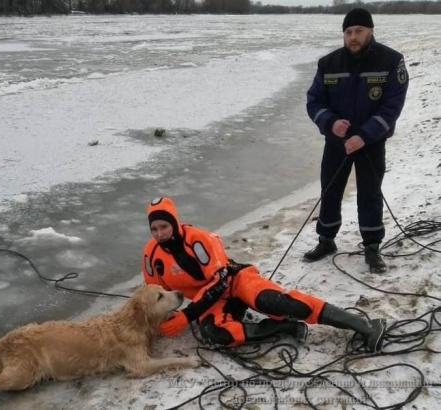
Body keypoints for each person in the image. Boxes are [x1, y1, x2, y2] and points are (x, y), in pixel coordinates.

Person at [142, 197, 386, 352]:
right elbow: (154, 294)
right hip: (208, 303)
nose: (159, 233)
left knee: (279, 302)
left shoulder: (200, 239)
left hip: (235, 281)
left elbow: (219, 280)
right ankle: (284, 329)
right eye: (154, 229)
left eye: (164, 226)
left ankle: (364, 325)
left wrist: (186, 316)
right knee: (215, 336)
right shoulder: (151, 255)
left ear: (174, 222)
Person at [305, 8, 409, 273]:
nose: (353, 37)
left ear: (370, 31)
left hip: (371, 143)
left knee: (369, 194)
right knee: (330, 191)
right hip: (336, 142)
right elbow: (315, 100)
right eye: (348, 32)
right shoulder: (328, 63)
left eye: (358, 31)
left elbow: (391, 107)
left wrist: (364, 136)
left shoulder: (391, 61)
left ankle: (372, 247)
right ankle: (326, 240)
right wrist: (331, 123)